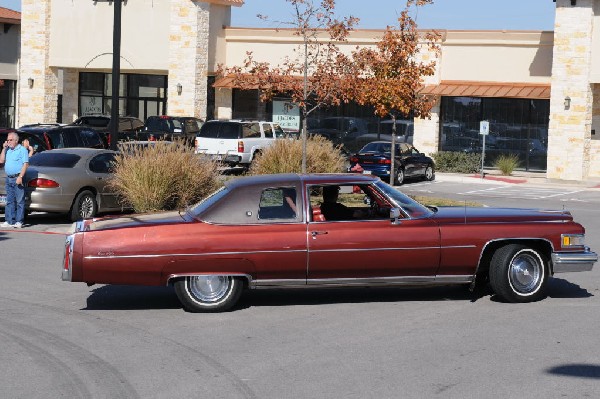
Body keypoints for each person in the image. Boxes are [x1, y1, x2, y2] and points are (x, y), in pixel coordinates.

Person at [1, 132, 30, 228]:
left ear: (16, 141)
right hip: (9, 178)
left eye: (10, 140)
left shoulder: (22, 150)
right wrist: (4, 148)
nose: (8, 142)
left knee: (19, 201)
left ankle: (19, 221)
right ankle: (9, 220)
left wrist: (20, 177)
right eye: (8, 140)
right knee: (9, 201)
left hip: (18, 177)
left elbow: (25, 164)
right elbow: (1, 161)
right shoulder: (8, 150)